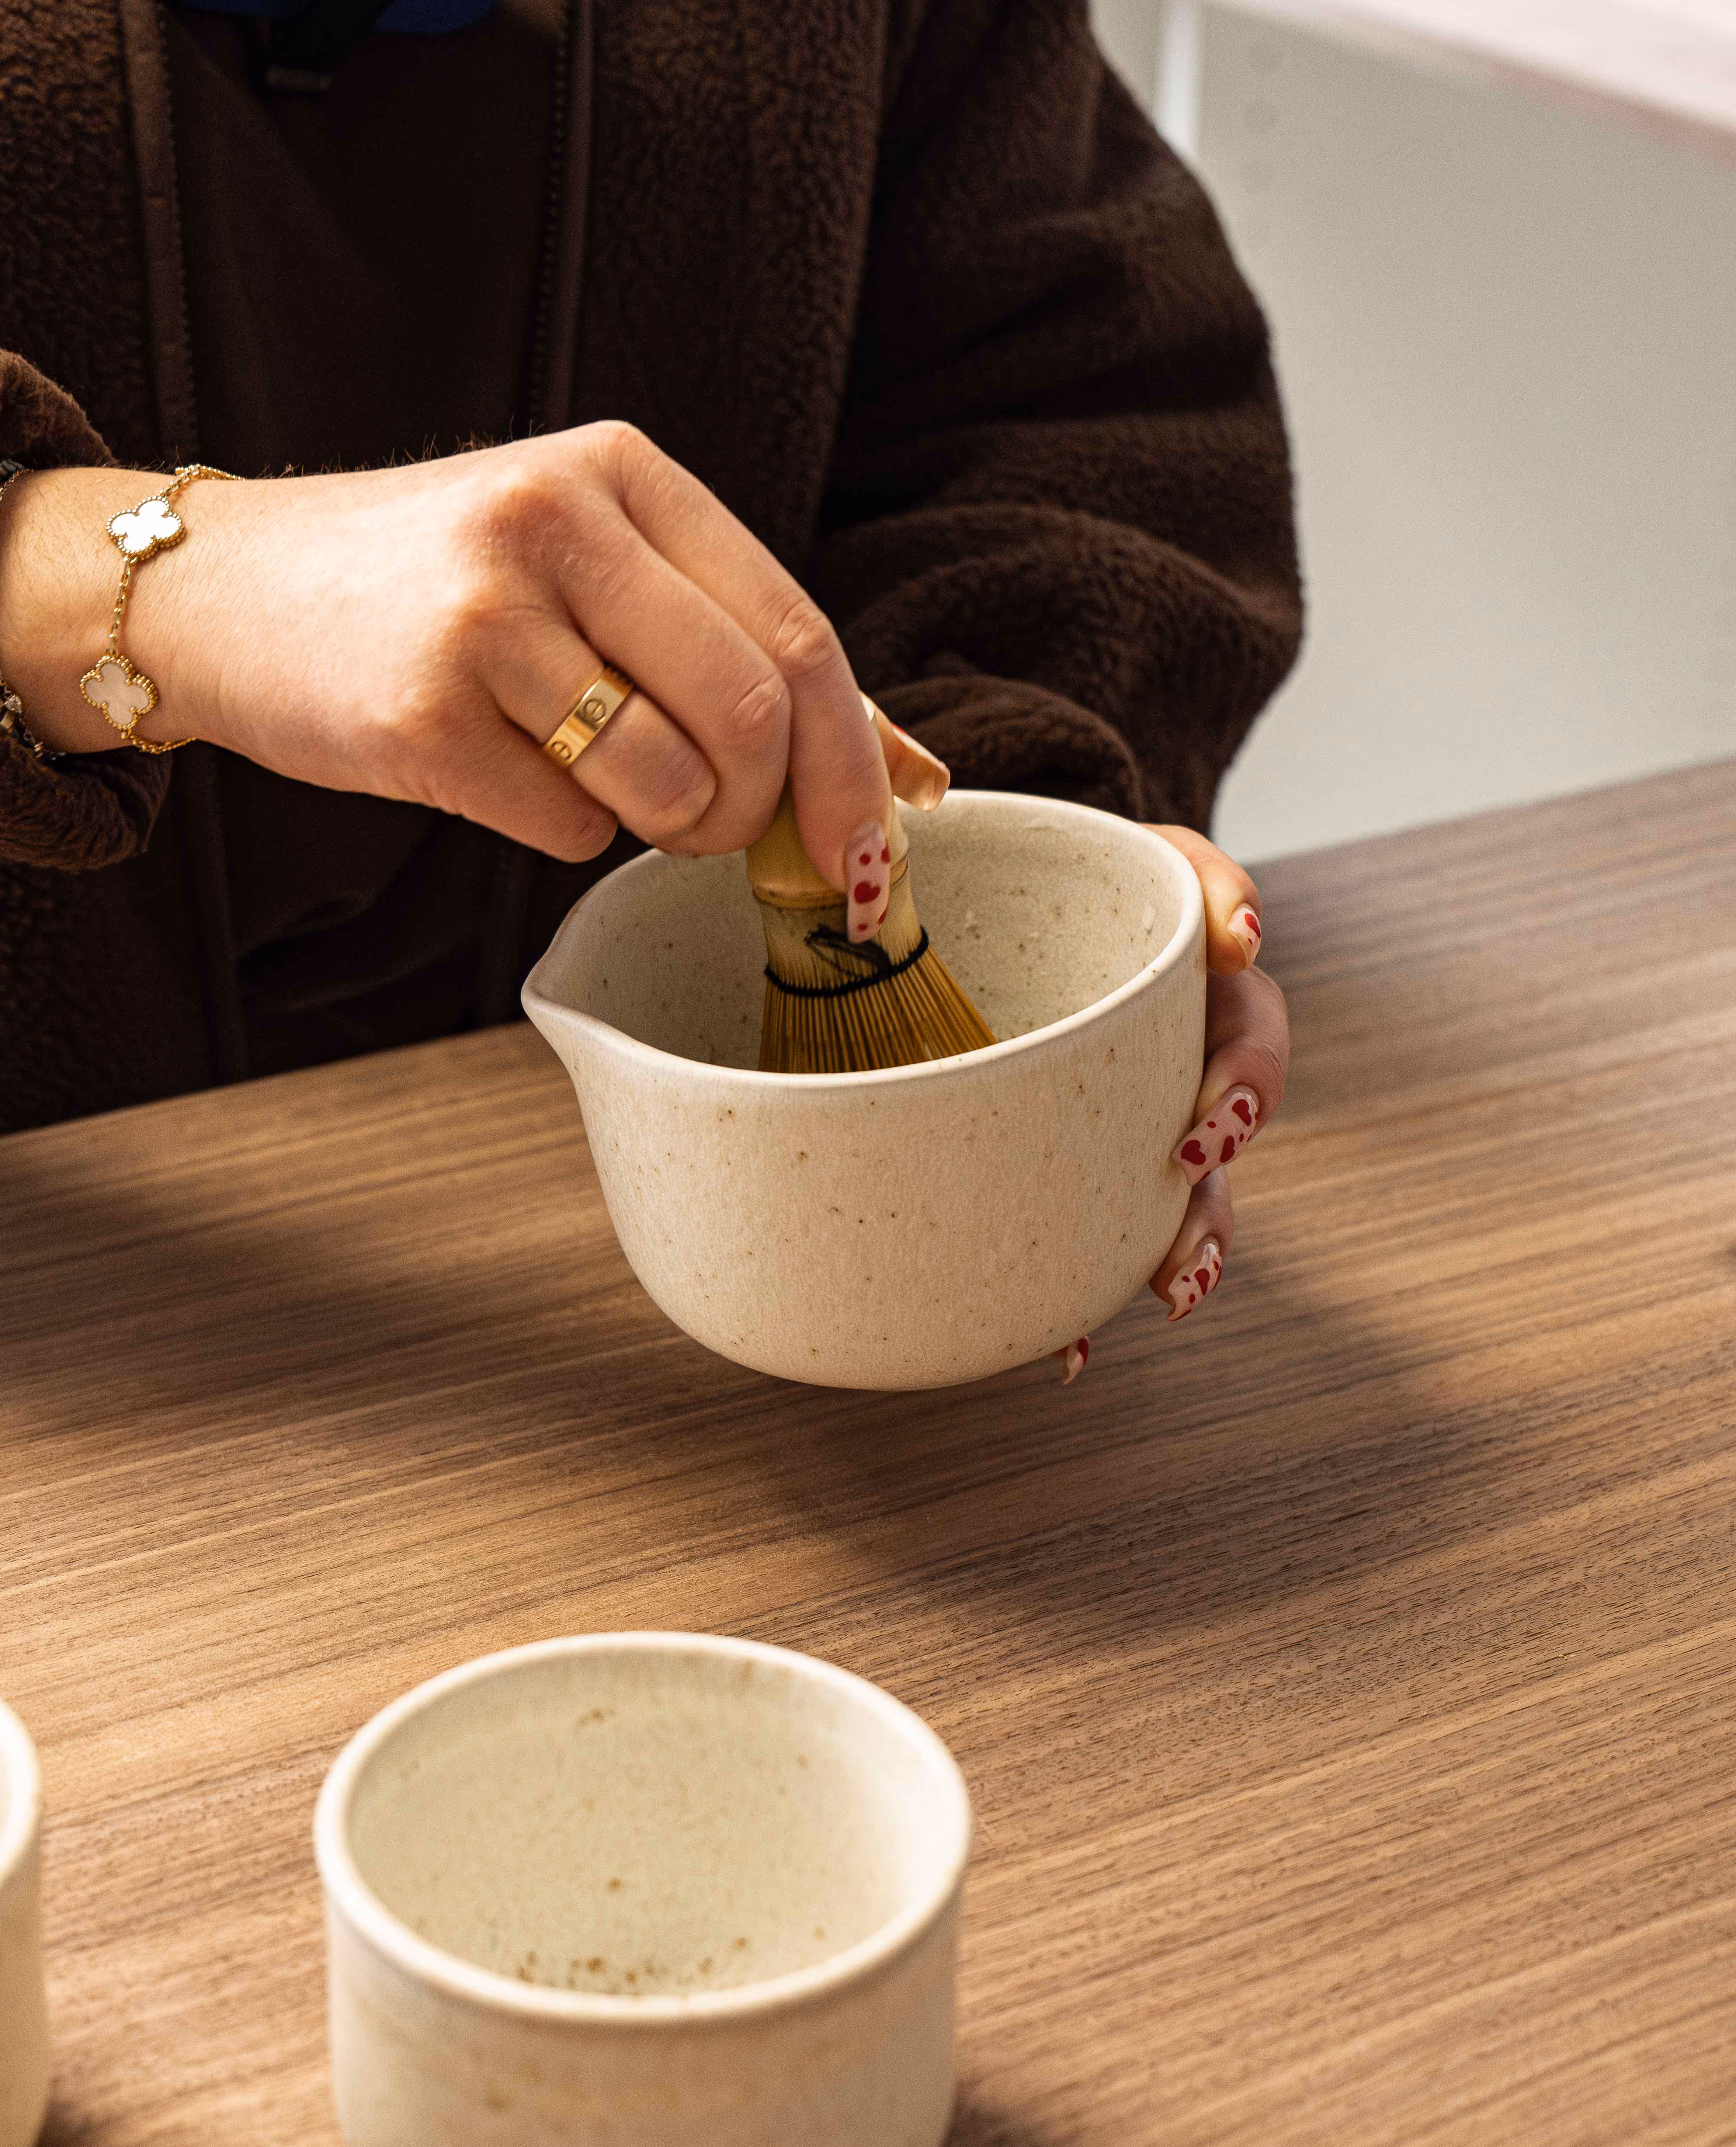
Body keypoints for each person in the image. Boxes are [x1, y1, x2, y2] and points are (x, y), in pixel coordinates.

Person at [0, 0, 1298, 1345]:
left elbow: (1066, 408)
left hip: (610, 1326)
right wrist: (123, 576)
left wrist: (998, 864)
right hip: (74, 1345)